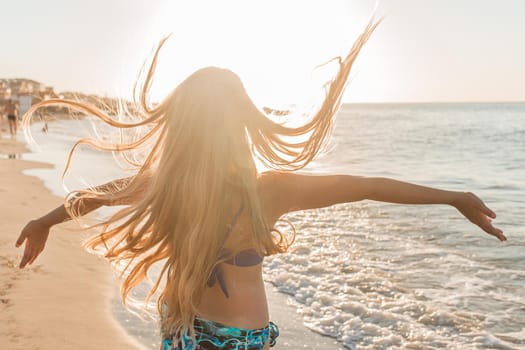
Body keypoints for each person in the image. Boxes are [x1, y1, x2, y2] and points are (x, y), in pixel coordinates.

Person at [15, 18, 505, 350]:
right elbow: (366, 185)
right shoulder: (264, 192)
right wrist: (452, 196)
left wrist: (44, 221)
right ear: (238, 125)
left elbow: (93, 197)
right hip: (227, 337)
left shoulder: (170, 183)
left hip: (181, 330)